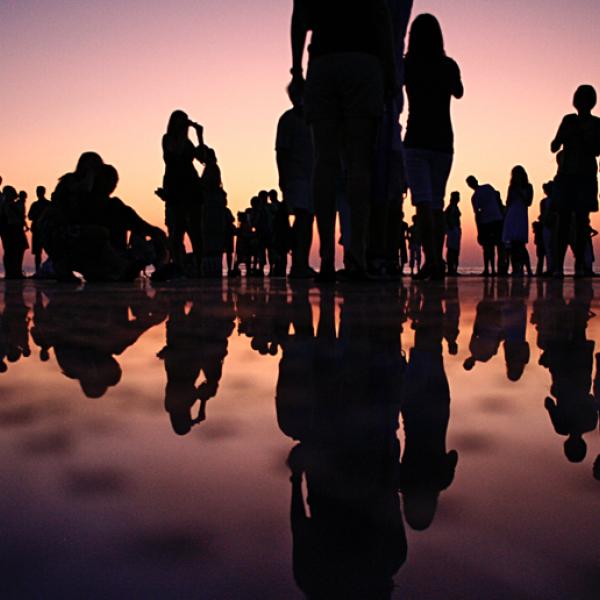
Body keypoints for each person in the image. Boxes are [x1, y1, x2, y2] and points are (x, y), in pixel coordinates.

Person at [290, 0, 396, 281]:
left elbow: (300, 16)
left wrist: (296, 70)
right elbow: (381, 18)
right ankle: (356, 259)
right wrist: (390, 71)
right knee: (359, 163)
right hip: (364, 61)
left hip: (324, 60)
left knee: (324, 161)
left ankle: (326, 260)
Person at [403, 13, 463, 280]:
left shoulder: (409, 65)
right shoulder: (447, 65)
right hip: (442, 141)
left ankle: (432, 262)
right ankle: (436, 261)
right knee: (436, 204)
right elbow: (459, 91)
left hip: (416, 139)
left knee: (424, 205)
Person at [551, 85, 600, 277]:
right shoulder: (568, 120)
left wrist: (583, 140)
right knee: (564, 221)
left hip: (584, 176)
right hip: (567, 176)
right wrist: (563, 140)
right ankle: (559, 266)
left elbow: (597, 150)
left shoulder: (596, 124)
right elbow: (554, 145)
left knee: (580, 222)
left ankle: (578, 265)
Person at [160, 110, 206, 276]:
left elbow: (203, 159)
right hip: (175, 187)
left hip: (191, 186)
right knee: (176, 229)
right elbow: (176, 153)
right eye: (182, 121)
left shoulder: (188, 142)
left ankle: (199, 267)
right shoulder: (168, 139)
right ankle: (179, 266)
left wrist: (200, 136)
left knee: (196, 230)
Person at [276, 82, 314, 278]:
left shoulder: (314, 118)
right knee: (303, 218)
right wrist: (283, 177)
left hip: (312, 177)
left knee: (307, 220)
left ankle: (302, 262)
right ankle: (298, 263)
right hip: (296, 177)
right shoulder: (288, 120)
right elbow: (281, 152)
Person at [466, 176, 505, 276]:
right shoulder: (486, 188)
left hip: (490, 221)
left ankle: (492, 269)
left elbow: (478, 214)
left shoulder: (478, 194)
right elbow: (497, 200)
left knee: (491, 247)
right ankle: (493, 269)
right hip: (494, 220)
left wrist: (479, 229)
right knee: (495, 246)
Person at [502, 166, 533, 276]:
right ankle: (516, 269)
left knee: (520, 244)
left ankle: (528, 269)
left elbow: (529, 202)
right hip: (512, 214)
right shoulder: (512, 187)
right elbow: (508, 201)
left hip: (521, 214)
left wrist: (520, 192)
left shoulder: (528, 187)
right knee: (512, 244)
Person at [0, 186, 29, 279]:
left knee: (13, 250)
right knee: (13, 250)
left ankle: (14, 272)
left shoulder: (8, 204)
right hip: (12, 228)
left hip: (12, 228)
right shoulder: (8, 204)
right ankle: (13, 272)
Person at [28, 185, 51, 272]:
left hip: (45, 230)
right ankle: (38, 270)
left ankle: (46, 269)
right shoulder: (36, 204)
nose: (38, 193)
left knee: (48, 251)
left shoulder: (47, 204)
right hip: (38, 230)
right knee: (38, 253)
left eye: (39, 191)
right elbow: (30, 216)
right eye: (37, 191)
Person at [444, 191, 461, 275]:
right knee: (452, 250)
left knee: (454, 250)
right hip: (453, 230)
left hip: (455, 229)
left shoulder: (453, 207)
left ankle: (453, 269)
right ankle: (451, 269)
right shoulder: (451, 207)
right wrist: (451, 227)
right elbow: (446, 217)